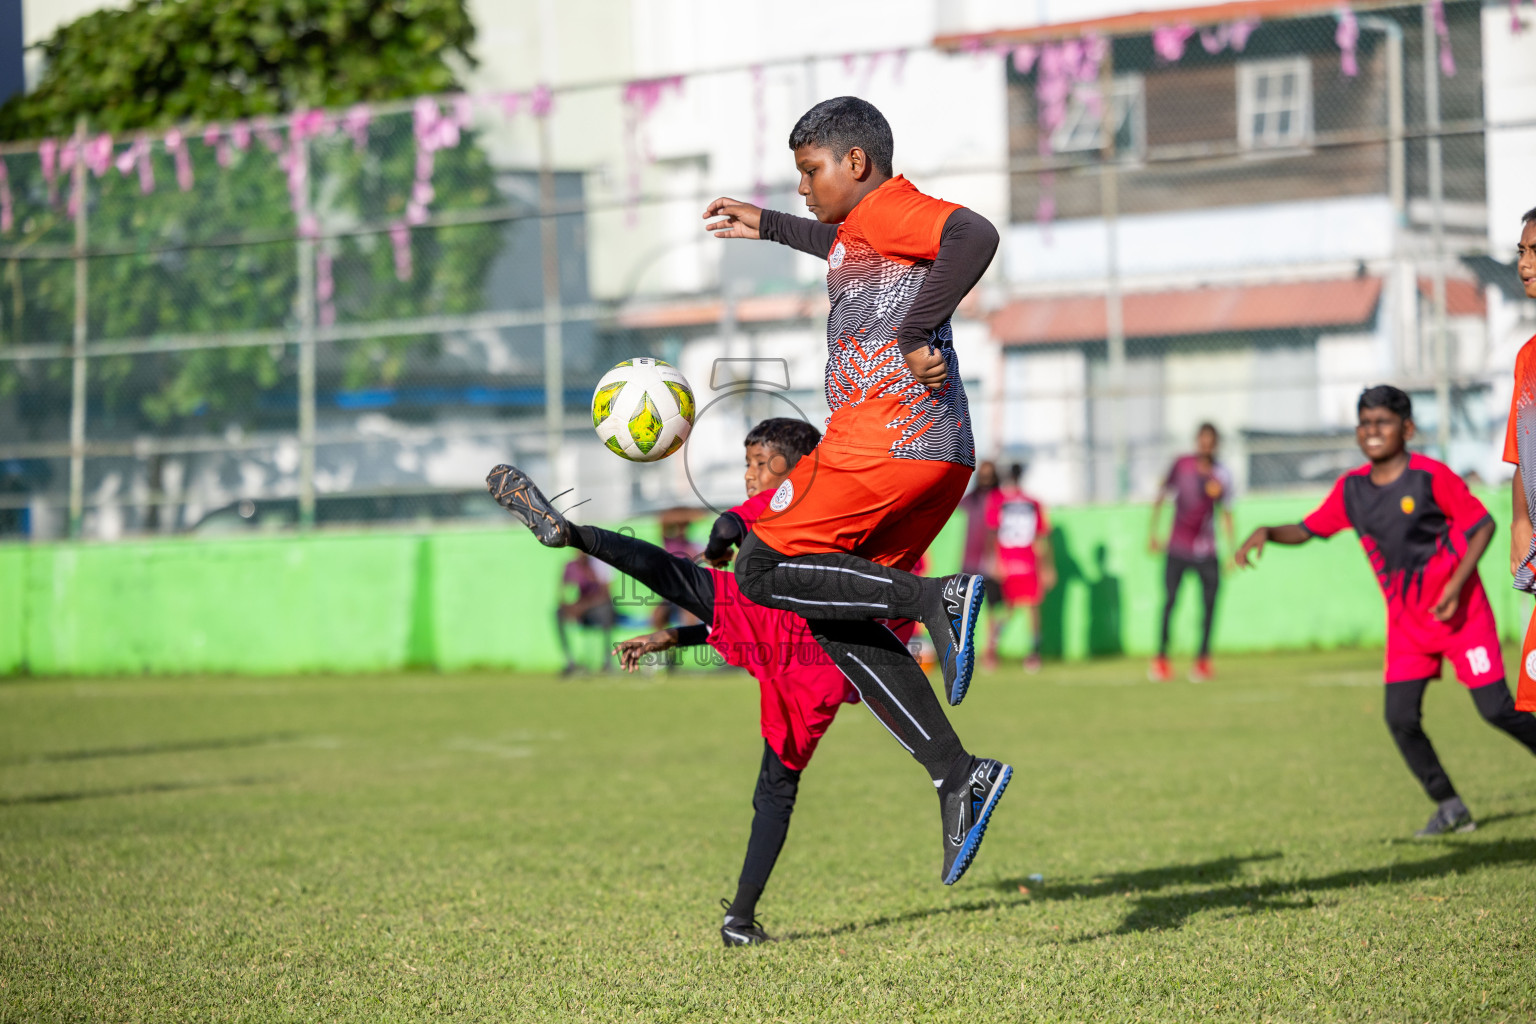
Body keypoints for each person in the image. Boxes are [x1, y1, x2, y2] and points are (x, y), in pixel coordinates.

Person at [702, 96, 1009, 885]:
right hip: (933, 452)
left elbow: (974, 234)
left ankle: (936, 600)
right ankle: (958, 776)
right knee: (839, 616)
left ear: (857, 166)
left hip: (884, 441)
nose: (803, 187)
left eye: (811, 171)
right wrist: (767, 223)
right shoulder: (861, 230)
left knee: (763, 571)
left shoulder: (892, 208)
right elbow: (838, 242)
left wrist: (914, 333)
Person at [486, 418, 913, 946]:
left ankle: (572, 533)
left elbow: (745, 532)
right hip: (814, 663)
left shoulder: (807, 499)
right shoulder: (837, 508)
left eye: (762, 464)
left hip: (807, 644)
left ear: (799, 468)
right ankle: (739, 918)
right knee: (776, 791)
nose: (751, 475)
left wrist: (727, 533)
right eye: (748, 464)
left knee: (676, 575)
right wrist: (676, 637)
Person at [1235, 386, 1536, 836]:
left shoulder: (1431, 478)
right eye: (1364, 422)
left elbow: (1484, 526)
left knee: (1495, 709)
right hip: (1409, 628)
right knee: (1399, 718)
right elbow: (1307, 529)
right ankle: (1449, 805)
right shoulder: (1352, 491)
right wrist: (1267, 532)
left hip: (1462, 618)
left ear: (1407, 428)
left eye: (1383, 422)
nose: (1372, 430)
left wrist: (1455, 586)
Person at [1148, 423, 1234, 683]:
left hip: (1208, 551)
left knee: (1208, 606)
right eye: (1202, 441)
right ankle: (1161, 658)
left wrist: (1232, 550)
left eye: (1211, 442)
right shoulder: (1181, 465)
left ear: (1216, 445)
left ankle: (1203, 660)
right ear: (1196, 441)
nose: (1206, 446)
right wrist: (1153, 533)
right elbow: (1161, 495)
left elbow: (1226, 513)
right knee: (1170, 602)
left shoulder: (1222, 474)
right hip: (1177, 547)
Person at [1504, 205, 1536, 714]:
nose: (1525, 263)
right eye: (1522, 252)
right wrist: (1520, 521)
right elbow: (1522, 450)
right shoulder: (1527, 356)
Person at [984, 462, 1056, 673]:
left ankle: (994, 653)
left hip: (1009, 562)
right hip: (1026, 562)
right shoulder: (1032, 502)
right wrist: (1048, 567)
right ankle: (1030, 654)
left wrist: (993, 561)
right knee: (1025, 608)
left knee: (1006, 610)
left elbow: (991, 533)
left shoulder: (999, 500)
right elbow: (1043, 537)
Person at [555, 552, 615, 675]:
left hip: (595, 608)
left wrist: (582, 607)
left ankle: (607, 662)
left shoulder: (600, 564)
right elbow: (562, 594)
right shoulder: (571, 566)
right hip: (580, 608)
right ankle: (570, 661)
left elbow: (606, 596)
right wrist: (569, 606)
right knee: (558, 613)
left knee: (607, 611)